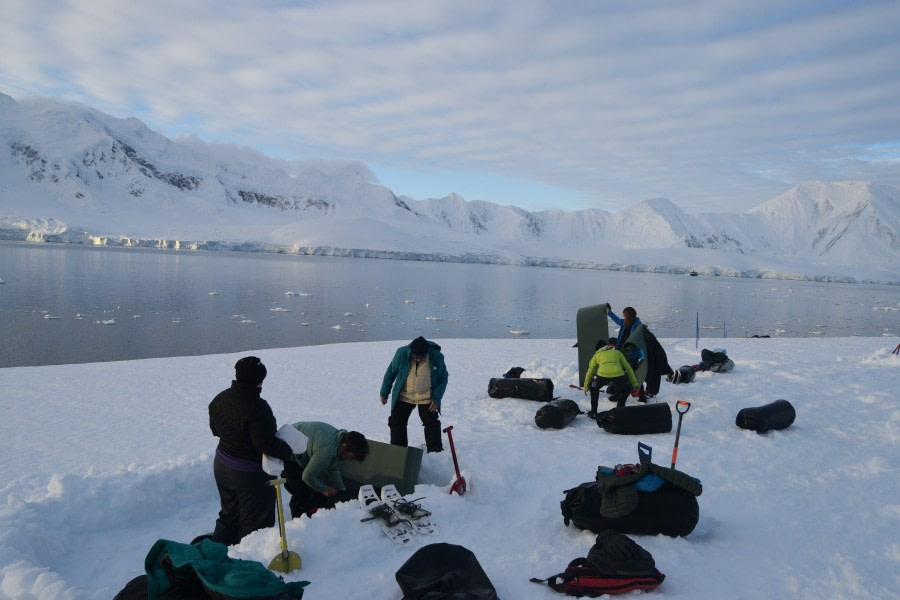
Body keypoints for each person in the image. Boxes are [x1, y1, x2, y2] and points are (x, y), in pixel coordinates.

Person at [208, 356, 294, 546]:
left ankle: (217, 554)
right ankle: (245, 564)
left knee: (229, 514)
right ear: (259, 380)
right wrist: (288, 451)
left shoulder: (220, 398)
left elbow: (215, 430)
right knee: (255, 524)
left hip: (221, 463)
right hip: (248, 473)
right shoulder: (257, 407)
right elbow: (264, 444)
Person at [282, 421, 369, 518]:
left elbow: (334, 469)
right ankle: (299, 521)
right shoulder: (327, 450)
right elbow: (307, 476)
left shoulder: (341, 445)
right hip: (287, 446)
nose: (349, 460)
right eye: (349, 457)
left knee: (313, 488)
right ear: (344, 447)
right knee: (301, 490)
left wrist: (343, 493)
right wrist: (324, 489)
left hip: (303, 447)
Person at [380, 336, 448, 452]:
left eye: (421, 357)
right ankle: (398, 451)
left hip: (427, 397)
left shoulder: (436, 356)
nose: (418, 359)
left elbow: (443, 378)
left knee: (431, 422)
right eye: (415, 356)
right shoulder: (401, 354)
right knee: (396, 421)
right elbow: (391, 373)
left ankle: (435, 452)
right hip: (404, 395)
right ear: (411, 351)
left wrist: (436, 398)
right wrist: (384, 392)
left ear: (427, 352)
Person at [583, 338, 639, 415]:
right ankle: (620, 410)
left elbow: (590, 371)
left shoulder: (596, 355)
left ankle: (594, 411)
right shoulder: (617, 352)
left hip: (602, 376)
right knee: (624, 390)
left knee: (594, 388)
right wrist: (635, 383)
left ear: (598, 349)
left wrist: (586, 386)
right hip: (619, 375)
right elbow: (628, 368)